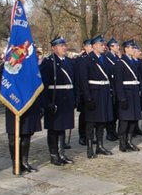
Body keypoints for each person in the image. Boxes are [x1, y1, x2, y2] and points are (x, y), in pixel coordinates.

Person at [40, 35, 76, 165]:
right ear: (54, 48)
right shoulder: (48, 63)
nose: (64, 48)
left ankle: (62, 153)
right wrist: (47, 102)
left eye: (64, 45)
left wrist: (75, 98)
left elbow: (74, 81)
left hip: (67, 98)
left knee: (63, 127)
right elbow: (43, 85)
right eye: (61, 46)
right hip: (55, 98)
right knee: (54, 128)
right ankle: (54, 155)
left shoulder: (69, 62)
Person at [77, 35, 114, 158]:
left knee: (102, 122)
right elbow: (83, 81)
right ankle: (89, 148)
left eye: (104, 45)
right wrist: (87, 98)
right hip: (93, 93)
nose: (103, 47)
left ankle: (100, 146)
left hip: (104, 92)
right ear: (93, 46)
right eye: (101, 45)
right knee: (91, 123)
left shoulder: (105, 59)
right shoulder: (86, 60)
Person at [113, 40, 142, 152]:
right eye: (131, 47)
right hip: (126, 94)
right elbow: (118, 83)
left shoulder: (134, 62)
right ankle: (122, 143)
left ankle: (129, 142)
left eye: (134, 48)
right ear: (125, 49)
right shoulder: (120, 63)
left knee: (133, 120)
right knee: (125, 120)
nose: (134, 50)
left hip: (134, 94)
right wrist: (122, 98)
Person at [75, 39, 92, 146]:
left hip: (93, 91)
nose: (91, 47)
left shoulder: (94, 59)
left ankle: (90, 135)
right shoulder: (81, 59)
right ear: (85, 47)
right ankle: (82, 135)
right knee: (84, 115)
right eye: (89, 46)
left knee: (91, 115)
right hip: (82, 91)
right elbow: (79, 77)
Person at [103, 36, 120, 142]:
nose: (118, 47)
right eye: (116, 45)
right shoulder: (107, 57)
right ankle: (110, 132)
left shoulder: (117, 57)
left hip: (116, 86)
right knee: (111, 113)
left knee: (116, 113)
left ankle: (113, 131)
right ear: (111, 47)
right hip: (111, 87)